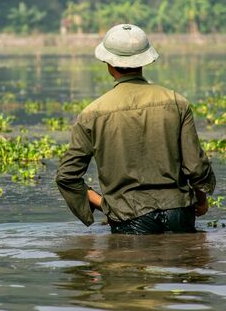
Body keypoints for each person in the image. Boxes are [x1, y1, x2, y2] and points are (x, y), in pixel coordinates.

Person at [56, 23, 216, 234]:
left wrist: (106, 205)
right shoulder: (177, 102)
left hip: (129, 218)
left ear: (108, 64)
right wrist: (201, 201)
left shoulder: (91, 114)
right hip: (179, 213)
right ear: (145, 61)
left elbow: (66, 177)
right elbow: (196, 167)